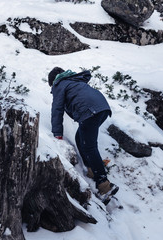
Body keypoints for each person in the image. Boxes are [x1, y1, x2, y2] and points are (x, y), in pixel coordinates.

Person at [48, 67, 119, 198]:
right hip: (101, 108)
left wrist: (57, 132)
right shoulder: (74, 81)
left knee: (90, 146)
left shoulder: (59, 84)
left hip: (89, 112)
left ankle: (104, 185)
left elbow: (57, 109)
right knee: (80, 138)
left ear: (53, 80)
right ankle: (91, 170)